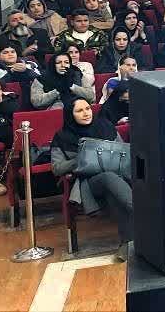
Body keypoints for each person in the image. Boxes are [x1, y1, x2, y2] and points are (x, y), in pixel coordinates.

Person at [50, 98, 133, 259]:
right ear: (70, 114)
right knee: (109, 178)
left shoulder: (106, 127)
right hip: (88, 182)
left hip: (118, 176)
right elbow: (57, 167)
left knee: (114, 193)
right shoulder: (62, 136)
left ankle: (127, 244)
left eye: (87, 108)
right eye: (79, 111)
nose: (86, 113)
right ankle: (140, 210)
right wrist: (83, 158)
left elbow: (122, 152)